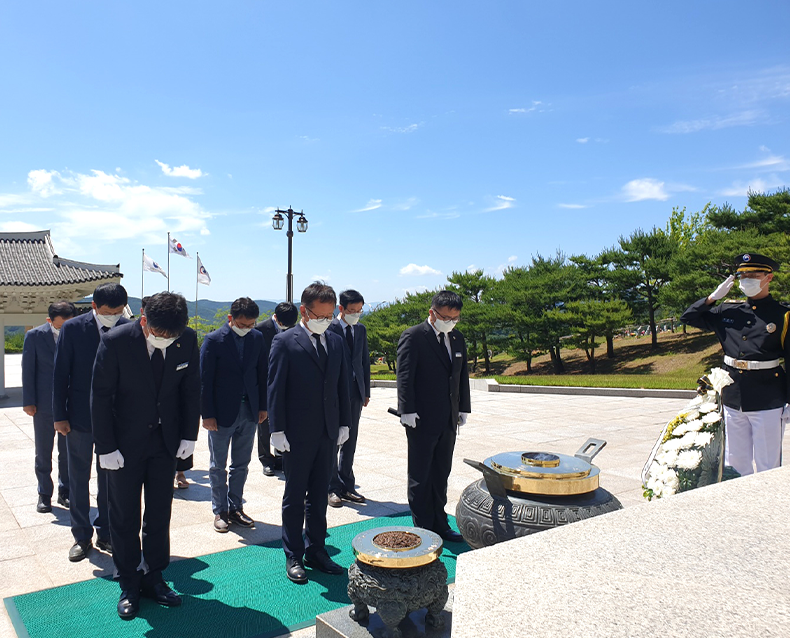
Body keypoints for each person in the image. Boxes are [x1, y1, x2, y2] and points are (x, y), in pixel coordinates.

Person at [92, 291, 200, 619]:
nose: (166, 339)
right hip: (123, 446)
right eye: (160, 333)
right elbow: (100, 397)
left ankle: (154, 577)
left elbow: (190, 388)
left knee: (158, 515)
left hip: (164, 443)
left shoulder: (187, 339)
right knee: (124, 517)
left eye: (173, 335)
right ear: (144, 320)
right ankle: (128, 582)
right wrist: (106, 447)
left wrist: (188, 436)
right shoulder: (116, 341)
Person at [268, 282, 351, 584]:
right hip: (297, 433)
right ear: (304, 311)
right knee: (295, 494)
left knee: (319, 494)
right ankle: (293, 554)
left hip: (328, 431)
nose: (325, 321)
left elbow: (342, 384)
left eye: (330, 316)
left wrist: (344, 422)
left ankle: (317, 548)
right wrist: (276, 430)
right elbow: (275, 388)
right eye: (320, 315)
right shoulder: (285, 342)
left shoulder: (336, 340)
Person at [681, 253, 790, 477]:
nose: (746, 279)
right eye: (742, 274)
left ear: (768, 277)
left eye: (753, 274)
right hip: (733, 396)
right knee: (735, 462)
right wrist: (711, 298)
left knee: (767, 464)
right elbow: (688, 318)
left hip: (767, 396)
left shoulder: (783, 315)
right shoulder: (727, 311)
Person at [53, 282, 130, 562]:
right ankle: (81, 536)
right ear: (94, 306)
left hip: (115, 419)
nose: (114, 316)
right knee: (78, 477)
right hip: (80, 418)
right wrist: (59, 415)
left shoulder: (128, 328)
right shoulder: (73, 329)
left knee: (110, 479)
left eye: (119, 311)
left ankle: (107, 533)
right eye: (109, 311)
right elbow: (61, 374)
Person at [396, 290, 470, 543]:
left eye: (455, 318)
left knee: (441, 472)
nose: (450, 322)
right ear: (432, 312)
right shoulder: (414, 336)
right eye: (446, 317)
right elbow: (404, 375)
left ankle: (440, 522)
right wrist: (406, 409)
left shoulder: (457, 338)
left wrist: (463, 408)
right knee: (420, 475)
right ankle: (423, 527)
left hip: (448, 418)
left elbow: (462, 376)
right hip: (420, 418)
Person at [201, 297, 268, 532]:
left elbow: (262, 374)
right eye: (242, 324)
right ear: (231, 319)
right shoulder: (213, 340)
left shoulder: (257, 338)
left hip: (248, 411)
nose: (246, 329)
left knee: (241, 464)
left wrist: (263, 407)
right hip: (220, 414)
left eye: (251, 324)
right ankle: (220, 511)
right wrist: (207, 414)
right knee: (217, 465)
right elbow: (205, 381)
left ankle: (235, 507)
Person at [23, 301, 76, 513]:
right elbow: (28, 370)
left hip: (70, 404)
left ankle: (65, 492)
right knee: (43, 451)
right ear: (49, 321)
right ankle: (44, 493)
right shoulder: (34, 336)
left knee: (67, 452)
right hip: (44, 404)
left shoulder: (76, 335)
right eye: (61, 326)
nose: (65, 330)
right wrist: (29, 401)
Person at [327, 289, 370, 507]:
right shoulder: (330, 328)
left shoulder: (360, 330)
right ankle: (331, 488)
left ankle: (347, 485)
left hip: (355, 392)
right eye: (352, 310)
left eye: (359, 310)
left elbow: (364, 362)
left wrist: (366, 391)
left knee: (350, 441)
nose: (356, 314)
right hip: (334, 395)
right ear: (341, 309)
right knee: (333, 441)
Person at [254, 302, 299, 477]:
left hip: (288, 383)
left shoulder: (294, 328)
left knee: (284, 420)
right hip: (265, 383)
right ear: (275, 317)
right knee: (264, 422)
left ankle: (281, 456)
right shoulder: (260, 329)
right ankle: (266, 459)